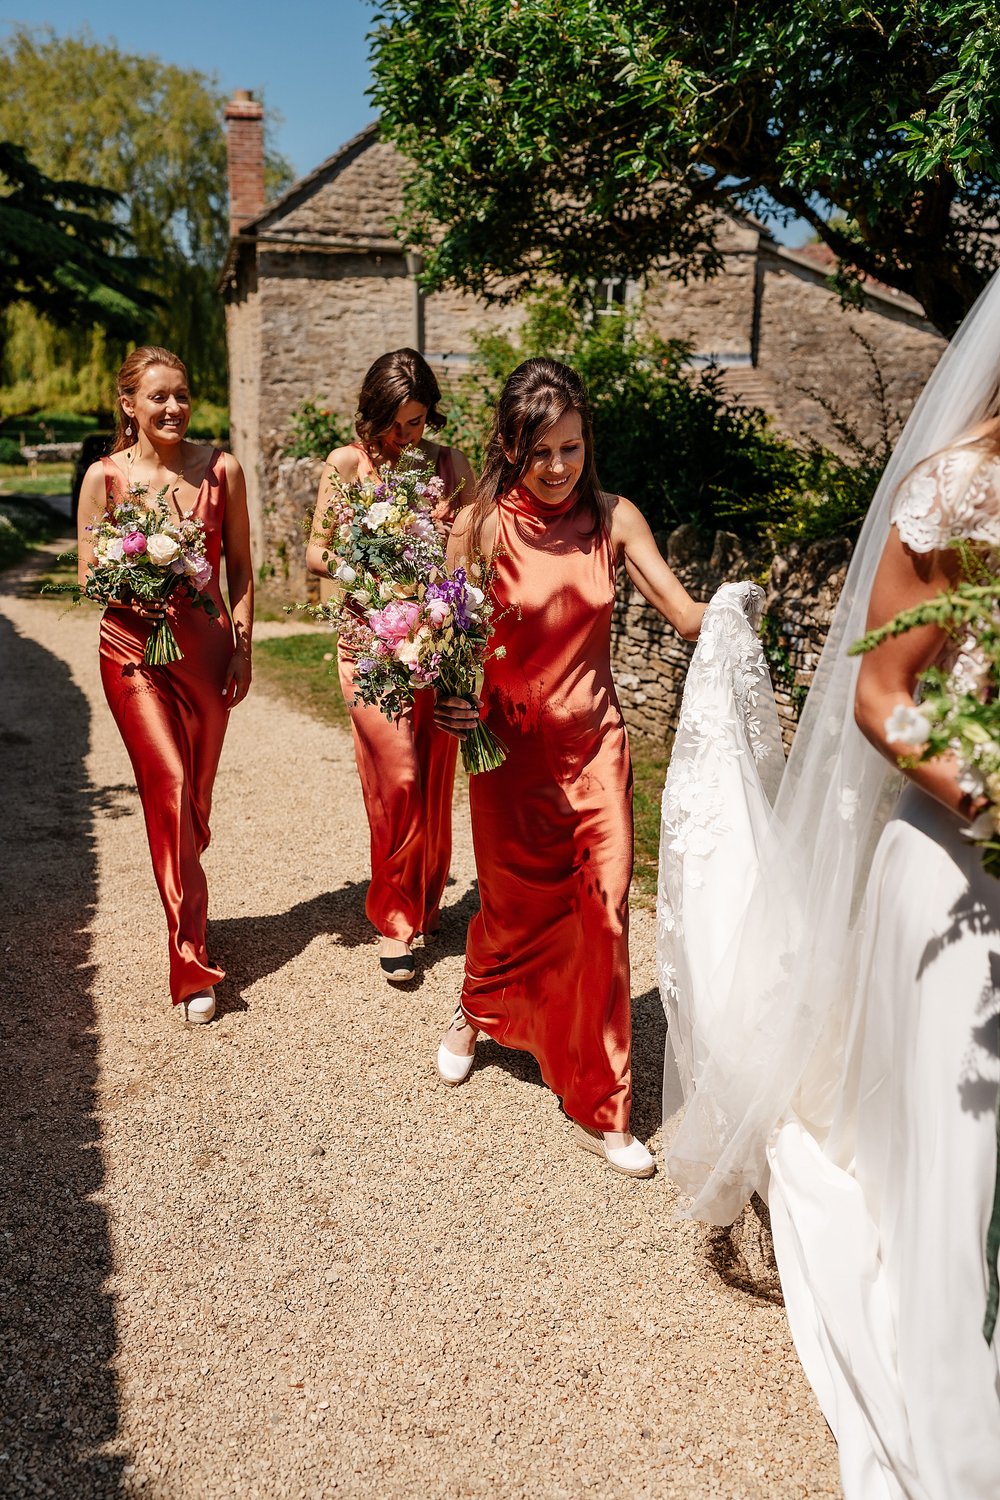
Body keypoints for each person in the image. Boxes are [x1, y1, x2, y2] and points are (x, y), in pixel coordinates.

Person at [660, 279, 1000, 1494]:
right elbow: (879, 695)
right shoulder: (956, 488)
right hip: (959, 864)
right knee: (959, 1173)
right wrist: (992, 796)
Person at [434, 358, 705, 1178]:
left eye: (573, 449)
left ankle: (602, 1105)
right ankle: (478, 1008)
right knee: (515, 911)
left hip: (596, 752)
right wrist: (451, 699)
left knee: (606, 913)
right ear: (511, 447)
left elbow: (685, 611)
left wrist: (737, 617)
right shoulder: (478, 526)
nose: (558, 468)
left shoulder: (616, 519)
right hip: (508, 759)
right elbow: (448, 639)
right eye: (541, 451)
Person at [77, 346, 254, 1023]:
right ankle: (191, 962)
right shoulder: (104, 478)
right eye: (159, 397)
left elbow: (239, 566)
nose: (174, 407)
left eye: (182, 394)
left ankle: (190, 899)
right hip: (133, 654)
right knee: (172, 790)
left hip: (207, 658)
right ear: (130, 405)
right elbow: (90, 573)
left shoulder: (222, 470)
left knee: (196, 804)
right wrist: (131, 587)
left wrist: (243, 648)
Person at [306, 348, 476, 983]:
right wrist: (374, 575)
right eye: (396, 423)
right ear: (373, 410)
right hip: (369, 647)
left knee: (432, 782)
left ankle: (426, 899)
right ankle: (395, 920)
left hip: (431, 645)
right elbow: (318, 553)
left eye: (417, 422)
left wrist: (448, 604)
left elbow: (465, 552)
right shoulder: (347, 464)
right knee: (397, 777)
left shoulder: (448, 464)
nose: (406, 436)